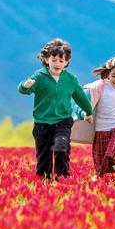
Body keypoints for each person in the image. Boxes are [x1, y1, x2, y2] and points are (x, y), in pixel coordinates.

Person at [19, 38, 94, 181]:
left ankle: (62, 179)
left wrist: (89, 112)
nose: (57, 64)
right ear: (46, 59)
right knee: (43, 159)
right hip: (42, 123)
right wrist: (25, 86)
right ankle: (44, 184)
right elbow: (24, 90)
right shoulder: (39, 76)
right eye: (54, 60)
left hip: (63, 121)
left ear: (66, 62)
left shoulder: (71, 79)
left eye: (61, 60)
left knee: (61, 147)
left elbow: (80, 97)